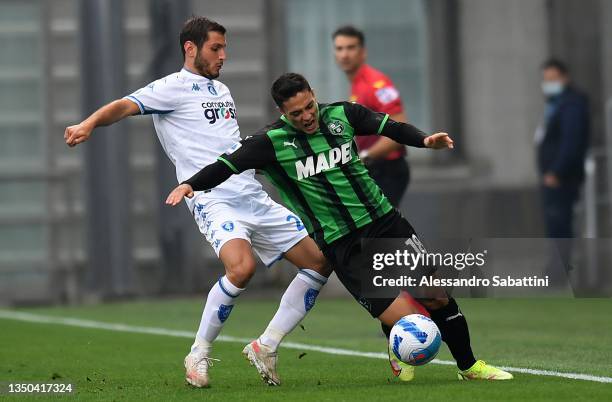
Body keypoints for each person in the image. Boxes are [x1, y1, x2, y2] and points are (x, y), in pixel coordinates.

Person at [167, 73, 513, 383]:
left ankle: (469, 367)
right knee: (406, 320)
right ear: (282, 113)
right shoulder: (270, 143)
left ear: (314, 95)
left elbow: (390, 127)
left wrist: (424, 141)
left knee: (436, 295)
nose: (306, 117)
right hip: (343, 245)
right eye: (296, 113)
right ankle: (396, 343)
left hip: (385, 222)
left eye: (308, 106)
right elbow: (224, 165)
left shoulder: (343, 115)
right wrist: (190, 185)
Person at [64, 17, 333, 388]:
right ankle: (199, 352)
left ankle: (266, 345)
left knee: (319, 263)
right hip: (211, 197)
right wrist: (89, 124)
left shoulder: (221, 91)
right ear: (190, 48)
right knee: (241, 269)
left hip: (250, 194)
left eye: (224, 48)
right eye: (215, 48)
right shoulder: (171, 88)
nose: (223, 55)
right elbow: (124, 105)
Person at [333, 25, 410, 207]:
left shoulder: (377, 85)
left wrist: (365, 156)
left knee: (382, 230)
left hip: (388, 169)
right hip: (373, 169)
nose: (345, 54)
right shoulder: (357, 84)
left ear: (363, 52)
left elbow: (400, 131)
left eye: (351, 48)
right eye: (339, 48)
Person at [536, 59, 589, 245]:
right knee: (555, 226)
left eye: (553, 78)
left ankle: (558, 271)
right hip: (554, 175)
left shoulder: (571, 104)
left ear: (565, 78)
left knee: (559, 226)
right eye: (546, 79)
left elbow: (571, 142)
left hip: (561, 177)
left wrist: (557, 171)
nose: (549, 84)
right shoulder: (556, 103)